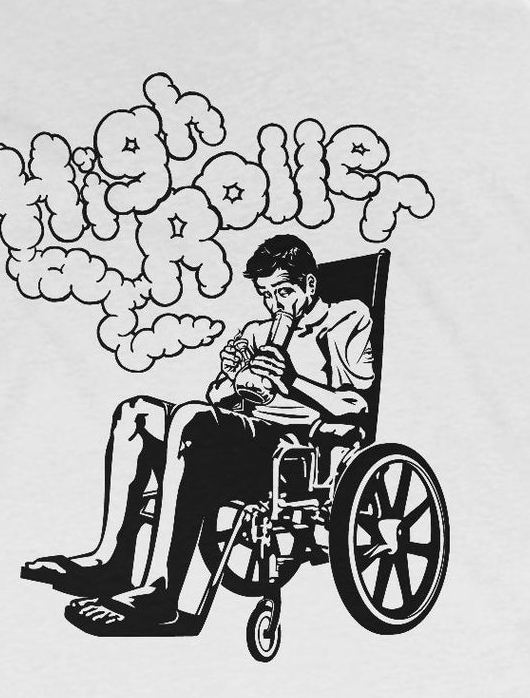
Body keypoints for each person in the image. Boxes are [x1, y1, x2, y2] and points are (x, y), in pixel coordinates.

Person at [22, 235, 374, 633]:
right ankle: (111, 563)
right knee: (136, 413)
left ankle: (160, 592)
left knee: (191, 420)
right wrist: (234, 376)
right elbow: (218, 397)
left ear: (309, 285)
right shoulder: (257, 332)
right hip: (247, 436)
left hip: (298, 449)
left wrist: (292, 380)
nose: (275, 305)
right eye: (265, 295)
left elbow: (355, 407)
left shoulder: (347, 318)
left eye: (284, 292)